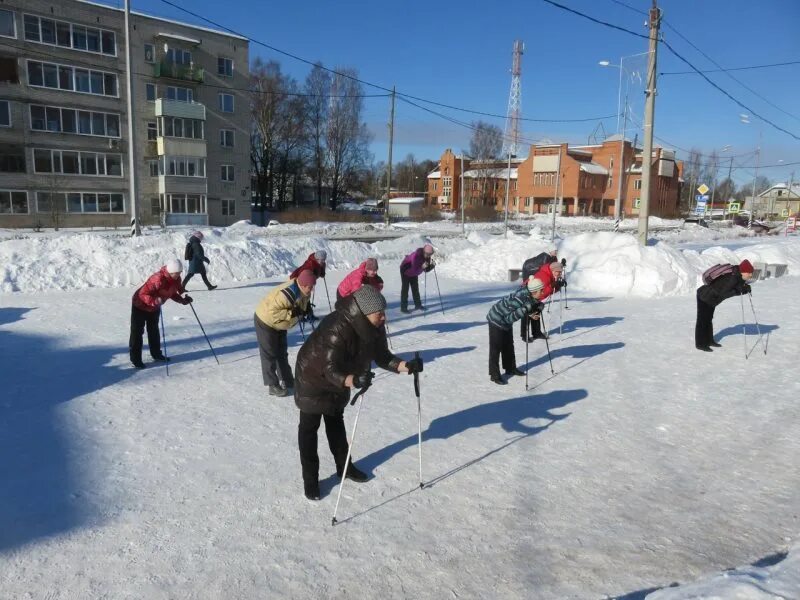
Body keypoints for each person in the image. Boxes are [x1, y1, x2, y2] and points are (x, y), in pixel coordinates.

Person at [294, 285, 423, 500]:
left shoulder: (375, 326)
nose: (384, 317)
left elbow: (382, 356)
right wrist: (353, 380)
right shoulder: (336, 327)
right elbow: (328, 368)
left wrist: (406, 366)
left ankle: (345, 468)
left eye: (384, 312)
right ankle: (311, 481)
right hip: (313, 378)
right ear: (363, 313)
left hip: (342, 379)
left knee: (336, 423)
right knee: (309, 429)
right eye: (379, 313)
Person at [254, 269, 316, 397]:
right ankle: (272, 385)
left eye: (313, 286)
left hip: (281, 324)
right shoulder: (287, 294)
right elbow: (273, 312)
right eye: (310, 287)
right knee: (269, 354)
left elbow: (302, 303)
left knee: (281, 352)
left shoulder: (305, 290)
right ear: (303, 285)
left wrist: (306, 308)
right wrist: (294, 313)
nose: (312, 290)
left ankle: (288, 380)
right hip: (266, 320)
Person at [130, 258, 193, 369]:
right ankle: (136, 359)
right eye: (176, 273)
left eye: (179, 273)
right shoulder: (157, 278)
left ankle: (156, 354)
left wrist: (183, 301)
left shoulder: (176, 279)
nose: (178, 275)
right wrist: (154, 301)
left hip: (154, 307)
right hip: (140, 305)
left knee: (153, 331)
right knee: (137, 332)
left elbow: (172, 293)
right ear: (170, 272)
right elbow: (142, 294)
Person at [487, 278, 546, 385]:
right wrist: (525, 310)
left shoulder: (528, 295)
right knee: (496, 347)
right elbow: (510, 318)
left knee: (509, 345)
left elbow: (531, 304)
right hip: (496, 319)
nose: (543, 292)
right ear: (534, 291)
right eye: (541, 291)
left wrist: (533, 311)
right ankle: (494, 375)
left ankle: (510, 368)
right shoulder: (519, 299)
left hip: (505, 321)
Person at [695, 259, 754, 351]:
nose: (751, 275)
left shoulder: (738, 276)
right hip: (705, 296)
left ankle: (709, 340)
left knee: (708, 320)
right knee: (702, 321)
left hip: (712, 299)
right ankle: (700, 344)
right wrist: (739, 291)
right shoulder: (732, 278)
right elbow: (723, 293)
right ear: (743, 271)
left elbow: (737, 288)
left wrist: (744, 289)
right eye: (749, 273)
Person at [521, 260, 564, 342]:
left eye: (561, 272)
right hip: (527, 294)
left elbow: (550, 290)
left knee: (536, 311)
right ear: (553, 270)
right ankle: (524, 335)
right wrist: (552, 285)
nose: (560, 274)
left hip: (535, 296)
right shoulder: (545, 276)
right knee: (527, 314)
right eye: (559, 272)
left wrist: (558, 286)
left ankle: (536, 332)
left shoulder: (550, 274)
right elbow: (542, 293)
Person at [399, 243, 435, 313]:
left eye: (430, 254)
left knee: (415, 288)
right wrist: (422, 267)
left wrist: (432, 266)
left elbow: (426, 270)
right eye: (428, 254)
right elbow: (414, 270)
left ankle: (418, 305)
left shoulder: (427, 257)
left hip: (414, 273)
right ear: (424, 252)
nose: (429, 256)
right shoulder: (416, 256)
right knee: (405, 289)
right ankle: (403, 308)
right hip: (405, 270)